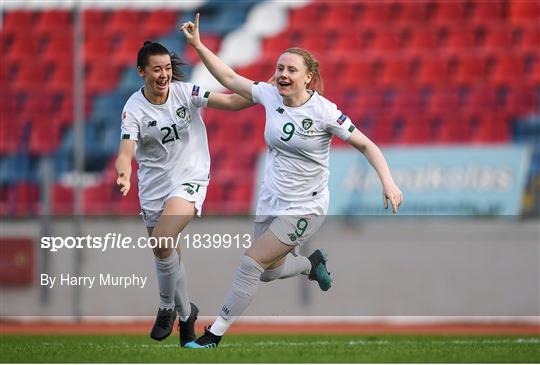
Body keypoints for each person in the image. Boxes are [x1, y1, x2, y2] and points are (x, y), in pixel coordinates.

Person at [180, 14, 404, 348]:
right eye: (280, 68)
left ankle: (213, 335)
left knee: (250, 262)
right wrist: (198, 45)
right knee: (268, 272)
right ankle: (309, 265)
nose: (283, 74)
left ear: (308, 78)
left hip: (305, 206)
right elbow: (228, 76)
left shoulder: (325, 112)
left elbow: (366, 144)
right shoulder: (269, 95)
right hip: (272, 199)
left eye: (291, 69)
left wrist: (388, 182)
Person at [115, 41, 254, 346]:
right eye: (156, 69)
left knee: (163, 239)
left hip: (190, 179)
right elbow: (126, 150)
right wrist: (123, 172)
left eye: (167, 68)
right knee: (168, 254)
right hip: (153, 188)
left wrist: (262, 94)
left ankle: (166, 308)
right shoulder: (133, 108)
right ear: (142, 72)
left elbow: (230, 103)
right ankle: (186, 313)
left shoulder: (185, 92)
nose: (164, 74)